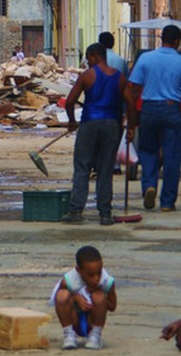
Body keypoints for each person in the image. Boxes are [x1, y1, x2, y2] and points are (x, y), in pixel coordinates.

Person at [62, 43, 136, 225]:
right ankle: (105, 213)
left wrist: (72, 121)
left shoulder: (87, 75)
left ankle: (76, 211)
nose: (87, 61)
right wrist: (131, 126)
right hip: (112, 124)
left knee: (82, 167)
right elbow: (132, 104)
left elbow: (70, 101)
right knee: (105, 169)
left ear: (95, 56)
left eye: (88, 57)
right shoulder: (119, 77)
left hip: (89, 123)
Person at [129, 25, 181, 212]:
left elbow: (134, 90)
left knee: (148, 150)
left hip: (148, 108)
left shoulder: (145, 59)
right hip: (171, 109)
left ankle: (149, 186)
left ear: (161, 38)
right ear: (177, 41)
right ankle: (167, 202)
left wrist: (130, 116)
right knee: (172, 155)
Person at [50, 245, 117, 350]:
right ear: (78, 270)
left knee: (98, 296)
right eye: (90, 275)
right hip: (74, 320)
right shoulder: (69, 281)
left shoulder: (105, 281)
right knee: (62, 294)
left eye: (99, 273)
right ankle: (69, 335)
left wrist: (99, 295)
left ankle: (95, 336)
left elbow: (112, 306)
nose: (96, 279)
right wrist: (75, 298)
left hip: (92, 319)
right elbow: (58, 301)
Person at [99, 31, 129, 174]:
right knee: (115, 134)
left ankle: (101, 162)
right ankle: (115, 165)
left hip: (98, 102)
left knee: (99, 135)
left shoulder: (96, 60)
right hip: (116, 102)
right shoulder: (120, 61)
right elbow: (126, 83)